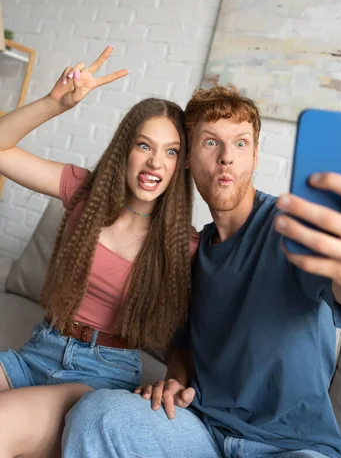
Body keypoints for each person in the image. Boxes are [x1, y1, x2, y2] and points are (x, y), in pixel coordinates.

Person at [62, 84, 341, 458]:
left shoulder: (289, 229)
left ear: (255, 156)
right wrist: (175, 376)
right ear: (187, 158)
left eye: (240, 144)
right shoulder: (190, 251)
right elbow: (185, 344)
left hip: (291, 446)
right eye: (210, 143)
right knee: (97, 414)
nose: (227, 158)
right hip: (203, 433)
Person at [0, 47, 195, 458]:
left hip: (101, 375)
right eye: (144, 146)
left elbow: (189, 337)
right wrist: (55, 103)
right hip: (39, 349)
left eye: (171, 151)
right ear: (125, 150)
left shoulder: (185, 246)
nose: (155, 162)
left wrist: (175, 376)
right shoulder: (84, 193)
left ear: (182, 165)